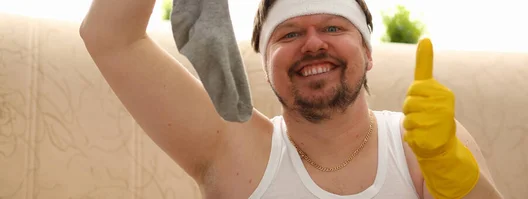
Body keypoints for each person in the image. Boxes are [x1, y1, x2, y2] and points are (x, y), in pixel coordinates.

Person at [79, 0, 503, 198]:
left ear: (370, 54)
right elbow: (109, 37)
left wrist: (453, 174)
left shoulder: (422, 143)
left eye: (335, 28)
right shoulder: (232, 148)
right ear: (265, 65)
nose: (313, 44)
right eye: (289, 34)